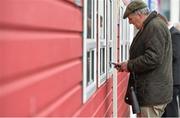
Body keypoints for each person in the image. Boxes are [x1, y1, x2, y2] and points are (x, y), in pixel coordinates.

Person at [115, 0, 173, 117]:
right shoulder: (150, 26)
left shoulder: (154, 26)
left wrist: (129, 65)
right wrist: (127, 64)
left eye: (130, 19)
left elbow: (153, 58)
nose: (130, 23)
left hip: (152, 95)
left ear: (139, 15)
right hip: (149, 93)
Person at [158, 15, 180, 117]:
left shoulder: (174, 34)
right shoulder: (170, 34)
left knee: (171, 107)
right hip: (170, 78)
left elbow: (175, 55)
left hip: (174, 79)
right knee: (167, 107)